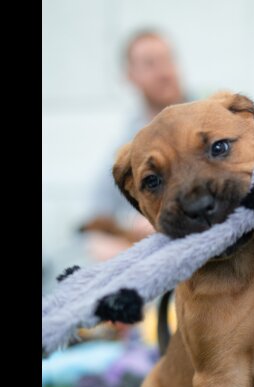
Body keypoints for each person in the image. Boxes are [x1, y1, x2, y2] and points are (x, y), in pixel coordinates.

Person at [81, 30, 189, 260]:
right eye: (150, 64)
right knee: (96, 247)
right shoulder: (127, 145)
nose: (164, 72)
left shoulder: (207, 117)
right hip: (156, 252)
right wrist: (132, 221)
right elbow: (97, 214)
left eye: (168, 60)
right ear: (130, 75)